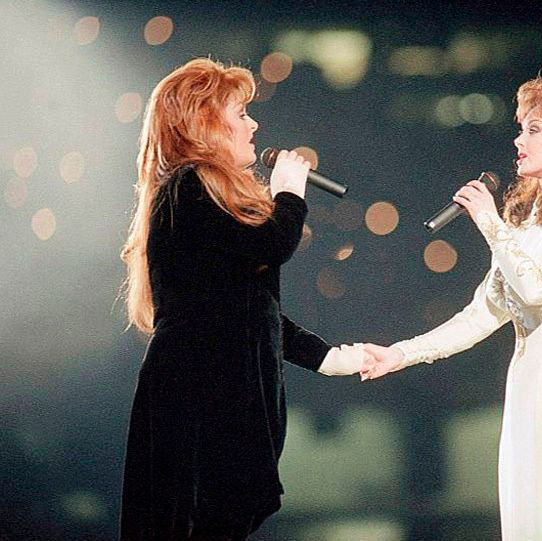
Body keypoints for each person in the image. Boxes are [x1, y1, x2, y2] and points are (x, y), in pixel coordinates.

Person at [362, 71, 542, 540]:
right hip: (529, 385)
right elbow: (482, 313)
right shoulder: (527, 223)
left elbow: (534, 288)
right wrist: (400, 354)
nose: (518, 139)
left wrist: (489, 221)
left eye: (533, 129)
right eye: (522, 127)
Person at [119, 58, 367, 541]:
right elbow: (272, 245)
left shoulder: (203, 195)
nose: (254, 124)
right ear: (205, 122)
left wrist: (329, 358)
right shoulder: (188, 188)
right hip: (197, 401)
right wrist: (290, 196)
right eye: (241, 113)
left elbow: (249, 305)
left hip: (217, 398)